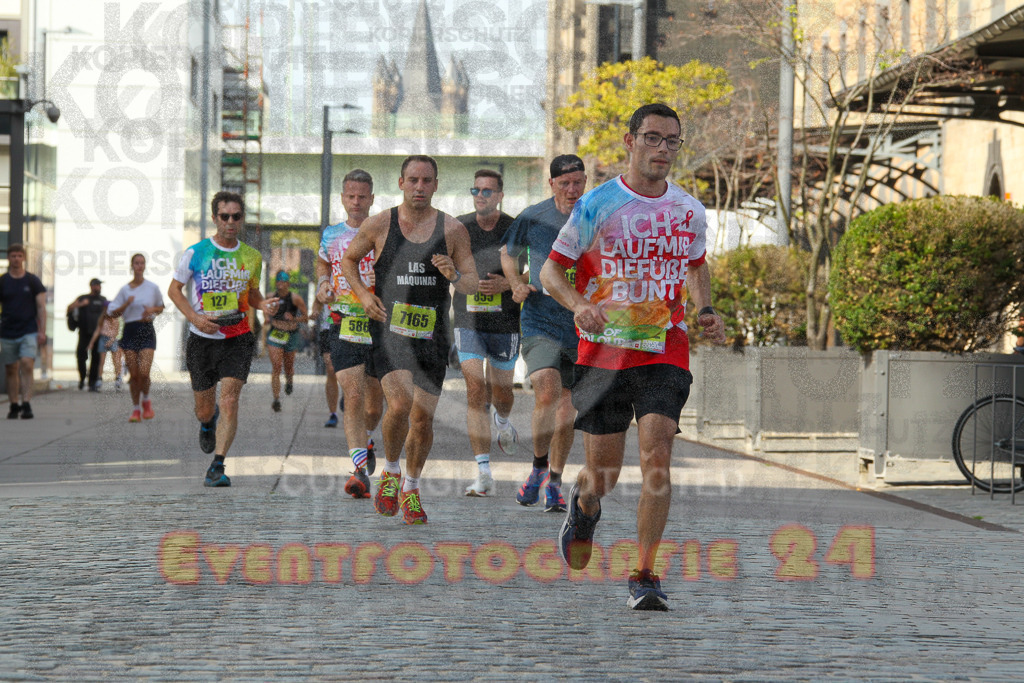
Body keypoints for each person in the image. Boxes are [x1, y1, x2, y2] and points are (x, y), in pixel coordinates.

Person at [542, 103, 726, 610]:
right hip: (603, 355)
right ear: (630, 141)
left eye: (672, 141)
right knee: (603, 471)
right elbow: (552, 274)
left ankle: (644, 572)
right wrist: (580, 304)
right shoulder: (597, 204)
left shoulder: (689, 210)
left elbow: (696, 265)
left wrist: (706, 308)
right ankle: (584, 507)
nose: (662, 149)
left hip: (664, 350)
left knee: (657, 454)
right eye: (652, 138)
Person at [341, 154, 478, 524]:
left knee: (422, 420)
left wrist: (453, 275)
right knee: (399, 405)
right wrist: (364, 295)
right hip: (390, 332)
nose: (419, 187)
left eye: (426, 181)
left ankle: (412, 488)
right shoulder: (380, 223)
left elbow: (471, 281)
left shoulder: (452, 230)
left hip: (431, 337)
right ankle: (389, 470)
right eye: (413, 180)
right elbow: (349, 261)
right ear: (401, 183)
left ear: (436, 185)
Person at [167, 190, 276, 487]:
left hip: (237, 336)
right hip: (202, 338)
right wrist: (195, 318)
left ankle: (218, 465)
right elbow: (174, 290)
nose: (230, 222)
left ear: (242, 219)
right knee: (205, 408)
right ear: (215, 218)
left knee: (229, 400)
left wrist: (263, 304)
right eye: (224, 216)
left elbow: (251, 295)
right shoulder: (196, 253)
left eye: (236, 217)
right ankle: (206, 423)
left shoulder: (252, 257)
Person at [499, 154, 587, 512]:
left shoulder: (595, 217)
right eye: (564, 183)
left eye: (578, 182)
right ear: (551, 184)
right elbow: (508, 253)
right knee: (547, 392)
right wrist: (515, 284)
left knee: (567, 411)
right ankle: (537, 466)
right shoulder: (534, 215)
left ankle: (554, 481)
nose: (571, 189)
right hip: (540, 319)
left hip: (581, 325)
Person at [316, 168, 385, 498]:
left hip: (380, 324)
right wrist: (322, 285)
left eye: (362, 196)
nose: (356, 202)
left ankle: (368, 439)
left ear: (372, 199)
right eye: (350, 196)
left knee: (373, 405)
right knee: (353, 397)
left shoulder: (385, 231)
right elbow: (322, 264)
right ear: (343, 199)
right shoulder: (331, 234)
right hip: (343, 321)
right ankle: (358, 470)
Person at [455, 169, 520, 497]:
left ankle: (504, 421)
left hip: (505, 321)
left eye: (487, 191)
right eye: (476, 189)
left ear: (499, 195)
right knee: (475, 388)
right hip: (468, 321)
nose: (480, 195)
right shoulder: (458, 227)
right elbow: (443, 268)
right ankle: (483, 472)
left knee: (502, 394)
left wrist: (508, 283)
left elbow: (539, 268)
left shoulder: (514, 228)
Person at [107, 254, 165, 422]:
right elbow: (112, 312)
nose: (139, 266)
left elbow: (161, 307)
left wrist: (151, 309)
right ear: (132, 266)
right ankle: (135, 409)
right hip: (130, 330)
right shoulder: (125, 290)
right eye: (136, 263)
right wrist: (127, 304)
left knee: (144, 373)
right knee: (134, 375)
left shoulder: (152, 288)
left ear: (145, 266)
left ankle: (146, 401)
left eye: (142, 263)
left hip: (146, 329)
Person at [1, 244, 46, 419]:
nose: (16, 259)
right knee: (11, 369)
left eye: (19, 256)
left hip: (28, 330)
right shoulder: (3, 281)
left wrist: (41, 331)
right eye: (13, 256)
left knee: (27, 364)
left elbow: (41, 307)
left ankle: (26, 402)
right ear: (8, 258)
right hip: (7, 331)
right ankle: (13, 404)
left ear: (24, 258)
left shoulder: (32, 281)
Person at [265, 270, 307, 412]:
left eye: (283, 281)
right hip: (276, 333)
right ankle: (276, 399)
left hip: (291, 334)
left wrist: (294, 319)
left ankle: (289, 380)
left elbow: (306, 318)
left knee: (288, 366)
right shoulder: (271, 297)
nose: (280, 284)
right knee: (276, 366)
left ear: (288, 283)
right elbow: (265, 308)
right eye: (278, 281)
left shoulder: (295, 299)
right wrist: (266, 316)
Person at [66, 278, 108, 391]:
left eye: (100, 285)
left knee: (96, 359)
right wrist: (80, 304)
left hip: (98, 334)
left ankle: (92, 383)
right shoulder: (83, 298)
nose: (99, 287)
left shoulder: (103, 300)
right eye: (97, 285)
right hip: (84, 333)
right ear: (92, 286)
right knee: (81, 357)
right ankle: (82, 378)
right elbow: (69, 308)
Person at [309, 299, 342, 426]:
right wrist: (315, 311)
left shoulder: (361, 278)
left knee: (350, 370)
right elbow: (317, 300)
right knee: (331, 369)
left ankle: (348, 393)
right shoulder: (326, 279)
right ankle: (332, 414)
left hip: (351, 327)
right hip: (328, 327)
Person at [88, 310, 125, 391]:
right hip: (103, 338)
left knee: (116, 360)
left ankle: (118, 378)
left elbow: (116, 331)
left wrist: (111, 340)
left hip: (112, 339)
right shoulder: (102, 320)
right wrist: (91, 342)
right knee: (102, 361)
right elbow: (97, 331)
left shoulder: (115, 319)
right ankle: (99, 378)